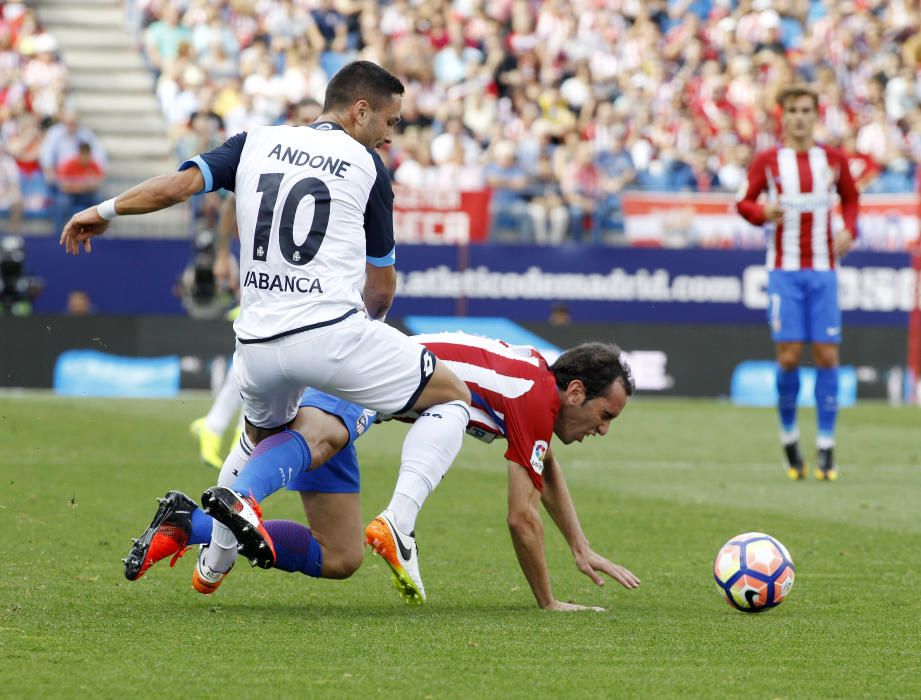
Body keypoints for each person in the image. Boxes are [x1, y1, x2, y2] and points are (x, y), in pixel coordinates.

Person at [61, 60, 471, 598]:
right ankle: (398, 522)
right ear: (360, 110)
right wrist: (365, 349)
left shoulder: (254, 141)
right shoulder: (367, 166)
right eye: (389, 122)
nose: (390, 135)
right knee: (452, 397)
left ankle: (208, 560)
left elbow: (178, 187)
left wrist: (104, 210)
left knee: (260, 442)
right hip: (330, 334)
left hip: (255, 344)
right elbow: (382, 289)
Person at [123, 333, 640, 610]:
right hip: (369, 374)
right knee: (326, 438)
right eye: (605, 416)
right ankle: (393, 521)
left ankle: (185, 523)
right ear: (576, 392)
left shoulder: (535, 392)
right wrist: (547, 603)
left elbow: (542, 468)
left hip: (378, 391)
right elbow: (520, 518)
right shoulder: (532, 395)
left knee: (340, 556)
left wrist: (579, 546)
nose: (604, 429)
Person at [736, 84, 859, 482]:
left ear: (816, 115)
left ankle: (825, 449)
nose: (800, 117)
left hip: (824, 271)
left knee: (826, 356)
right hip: (784, 271)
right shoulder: (768, 161)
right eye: (793, 110)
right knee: (789, 356)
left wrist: (851, 230)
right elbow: (743, 202)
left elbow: (852, 199)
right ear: (783, 116)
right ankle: (790, 439)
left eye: (807, 110)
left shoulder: (834, 160)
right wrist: (761, 212)